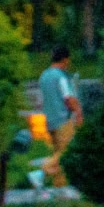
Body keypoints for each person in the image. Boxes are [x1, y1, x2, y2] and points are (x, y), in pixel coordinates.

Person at [38, 46, 83, 188]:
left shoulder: (44, 76)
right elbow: (68, 98)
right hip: (62, 120)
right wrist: (78, 112)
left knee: (57, 153)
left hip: (49, 121)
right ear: (64, 59)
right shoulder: (60, 76)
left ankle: (60, 187)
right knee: (66, 153)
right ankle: (40, 172)